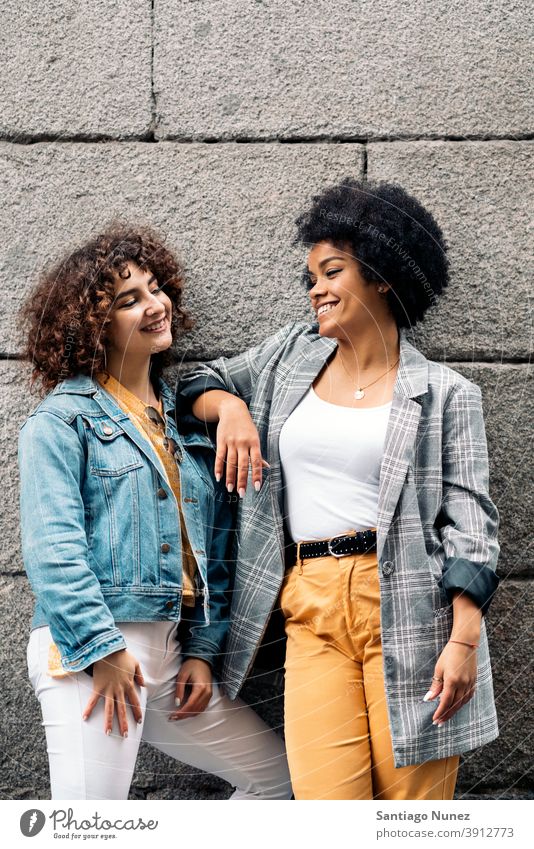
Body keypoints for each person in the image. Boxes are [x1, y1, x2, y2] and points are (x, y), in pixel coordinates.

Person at [176, 180, 500, 800]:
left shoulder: (446, 393)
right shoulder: (287, 357)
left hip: (410, 609)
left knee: (412, 817)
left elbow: (472, 525)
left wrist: (461, 642)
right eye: (311, 277)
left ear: (381, 274)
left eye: (332, 272)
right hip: (310, 608)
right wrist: (233, 411)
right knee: (328, 813)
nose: (316, 289)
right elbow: (197, 382)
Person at [18, 224, 291, 801]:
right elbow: (53, 550)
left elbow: (211, 548)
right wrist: (103, 651)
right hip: (90, 648)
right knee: (88, 828)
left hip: (170, 658)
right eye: (128, 300)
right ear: (92, 326)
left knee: (278, 781)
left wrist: (200, 650)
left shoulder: (183, 417)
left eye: (154, 287)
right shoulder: (62, 421)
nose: (154, 305)